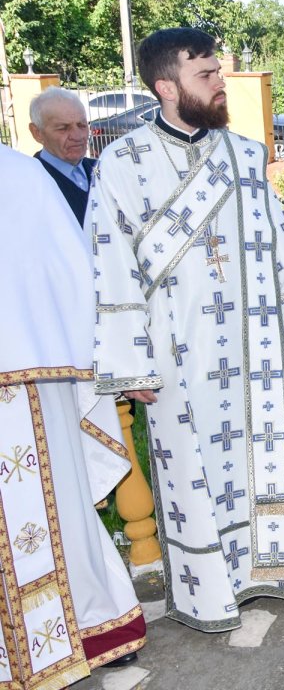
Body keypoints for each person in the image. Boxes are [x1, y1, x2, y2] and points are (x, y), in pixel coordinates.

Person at [89, 28, 284, 632]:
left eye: (218, 73)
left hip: (249, 341)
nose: (218, 85)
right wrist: (131, 361)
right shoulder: (121, 162)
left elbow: (280, 240)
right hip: (175, 350)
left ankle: (264, 570)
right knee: (190, 467)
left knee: (257, 453)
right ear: (166, 86)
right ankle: (208, 591)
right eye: (205, 76)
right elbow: (109, 262)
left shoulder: (243, 153)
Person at [0, 145, 146, 680]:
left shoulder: (19, 177)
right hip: (29, 379)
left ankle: (85, 625)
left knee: (53, 511)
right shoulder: (25, 176)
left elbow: (71, 280)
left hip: (32, 388)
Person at [28, 86, 94, 225]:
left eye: (81, 125)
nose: (77, 136)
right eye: (63, 128)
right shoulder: (29, 182)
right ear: (37, 132)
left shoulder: (104, 169)